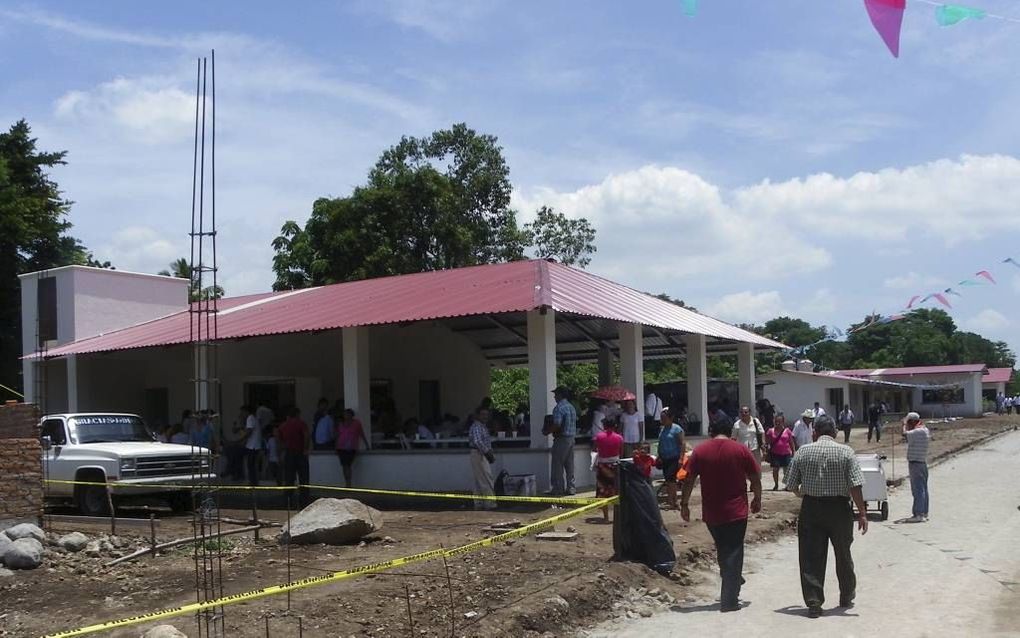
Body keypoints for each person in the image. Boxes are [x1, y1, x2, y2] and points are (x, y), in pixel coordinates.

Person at [785, 415, 868, 618]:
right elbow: (855, 485)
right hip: (840, 509)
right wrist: (862, 513)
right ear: (835, 432)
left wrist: (805, 492)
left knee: (811, 556)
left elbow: (791, 485)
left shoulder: (803, 451)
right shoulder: (846, 452)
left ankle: (814, 602)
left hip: (811, 508)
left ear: (815, 432)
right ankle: (847, 594)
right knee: (843, 553)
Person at [680, 416, 762, 613]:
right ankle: (729, 600)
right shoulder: (740, 449)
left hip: (712, 512)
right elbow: (755, 477)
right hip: (736, 510)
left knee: (724, 549)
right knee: (733, 551)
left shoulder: (700, 451)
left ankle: (732, 576)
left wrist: (684, 504)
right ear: (730, 431)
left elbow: (689, 479)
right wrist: (758, 498)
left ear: (711, 430)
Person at [549, 386, 578, 496]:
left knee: (557, 464)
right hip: (571, 438)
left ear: (560, 395)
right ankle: (571, 488)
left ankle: (558, 488)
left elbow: (557, 424)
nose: (555, 397)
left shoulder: (559, 408)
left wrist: (548, 431)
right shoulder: (571, 407)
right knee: (569, 465)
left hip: (561, 439)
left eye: (556, 394)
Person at [593, 416, 624, 522]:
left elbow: (595, 449)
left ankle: (606, 517)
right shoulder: (619, 438)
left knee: (603, 492)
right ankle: (618, 517)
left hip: (602, 466)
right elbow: (621, 453)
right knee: (616, 491)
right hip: (615, 465)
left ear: (604, 425)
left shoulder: (599, 437)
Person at [278, 407, 310, 506]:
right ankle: (304, 501)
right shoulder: (301, 423)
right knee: (303, 478)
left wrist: (282, 451)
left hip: (289, 453)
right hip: (299, 452)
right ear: (297, 414)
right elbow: (306, 436)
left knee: (289, 478)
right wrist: (305, 449)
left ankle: (287, 500)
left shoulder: (283, 426)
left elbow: (279, 440)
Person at [902, 412, 930, 523]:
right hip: (921, 462)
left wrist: (903, 424)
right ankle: (924, 512)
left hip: (916, 463)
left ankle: (918, 514)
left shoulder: (918, 431)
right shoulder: (924, 430)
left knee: (918, 489)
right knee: (923, 488)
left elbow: (904, 434)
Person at [468, 407, 497, 510]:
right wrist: (488, 453)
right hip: (479, 453)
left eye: (486, 414)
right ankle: (490, 503)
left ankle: (479, 503)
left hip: (478, 453)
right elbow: (477, 441)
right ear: (477, 415)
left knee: (479, 480)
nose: (485, 416)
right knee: (486, 478)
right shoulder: (477, 426)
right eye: (483, 414)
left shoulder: (482, 426)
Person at [657, 408, 685, 509]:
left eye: (664, 418)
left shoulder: (677, 429)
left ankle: (673, 500)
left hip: (674, 457)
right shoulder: (662, 429)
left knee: (671, 479)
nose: (662, 420)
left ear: (671, 418)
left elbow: (682, 443)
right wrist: (658, 455)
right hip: (664, 458)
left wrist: (681, 458)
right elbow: (660, 443)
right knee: (668, 480)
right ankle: (672, 500)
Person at [335, 408, 369, 487]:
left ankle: (348, 484)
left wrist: (366, 445)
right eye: (344, 414)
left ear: (351, 415)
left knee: (347, 465)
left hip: (351, 447)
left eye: (347, 414)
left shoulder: (356, 423)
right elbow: (338, 435)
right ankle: (347, 482)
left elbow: (361, 434)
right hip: (341, 447)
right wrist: (336, 446)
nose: (345, 415)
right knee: (344, 465)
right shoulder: (341, 424)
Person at [764, 414, 796, 490]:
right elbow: (767, 442)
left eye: (779, 421)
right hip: (775, 454)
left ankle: (787, 485)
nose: (777, 423)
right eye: (776, 421)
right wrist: (766, 451)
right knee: (775, 470)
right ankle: (776, 484)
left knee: (787, 470)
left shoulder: (787, 431)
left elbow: (791, 442)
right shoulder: (770, 431)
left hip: (786, 453)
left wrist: (793, 451)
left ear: (783, 422)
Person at [731, 406, 765, 471]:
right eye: (742, 412)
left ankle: (757, 480)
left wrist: (763, 444)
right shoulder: (737, 424)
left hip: (755, 449)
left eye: (746, 412)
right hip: (742, 450)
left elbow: (762, 432)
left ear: (750, 413)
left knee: (756, 468)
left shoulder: (755, 421)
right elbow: (733, 438)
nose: (744, 414)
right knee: (743, 469)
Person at [222, 408, 248, 481]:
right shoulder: (242, 427)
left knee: (234, 451)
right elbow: (235, 432)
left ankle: (230, 470)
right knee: (231, 450)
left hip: (248, 447)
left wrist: (234, 443)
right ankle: (233, 472)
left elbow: (244, 439)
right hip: (241, 446)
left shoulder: (248, 426)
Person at [240, 405, 262, 486]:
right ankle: (254, 481)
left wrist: (241, 440)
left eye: (242, 412)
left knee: (251, 465)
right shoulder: (254, 418)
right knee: (252, 464)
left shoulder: (250, 418)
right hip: (255, 445)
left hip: (252, 446)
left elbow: (249, 432)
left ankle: (253, 482)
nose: (241, 414)